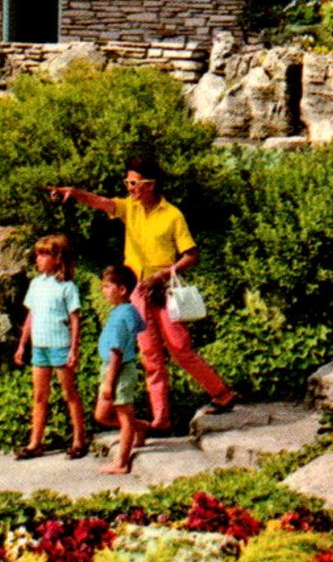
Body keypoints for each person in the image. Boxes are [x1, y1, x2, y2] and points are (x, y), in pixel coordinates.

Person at [47, 156, 238, 432]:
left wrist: (163, 273)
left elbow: (191, 255)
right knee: (150, 355)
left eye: (133, 183)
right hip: (137, 290)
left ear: (149, 185)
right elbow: (103, 203)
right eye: (127, 182)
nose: (129, 188)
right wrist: (74, 193)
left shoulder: (172, 214)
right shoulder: (131, 209)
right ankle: (161, 419)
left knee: (179, 347)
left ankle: (222, 393)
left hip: (163, 289)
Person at [12, 234, 89, 461]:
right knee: (39, 395)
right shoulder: (36, 284)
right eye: (38, 254)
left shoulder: (67, 286)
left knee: (69, 393)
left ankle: (79, 439)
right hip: (39, 347)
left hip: (60, 346)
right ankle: (35, 442)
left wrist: (73, 349)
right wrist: (22, 345)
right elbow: (31, 316)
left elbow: (75, 319)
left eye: (45, 254)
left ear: (58, 258)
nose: (39, 259)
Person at [95, 264, 151, 474]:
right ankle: (140, 427)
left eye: (107, 287)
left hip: (118, 370)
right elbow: (139, 326)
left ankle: (121, 463)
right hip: (110, 368)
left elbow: (117, 352)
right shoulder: (126, 310)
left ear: (122, 290)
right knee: (101, 415)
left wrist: (109, 382)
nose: (103, 291)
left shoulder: (120, 316)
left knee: (124, 416)